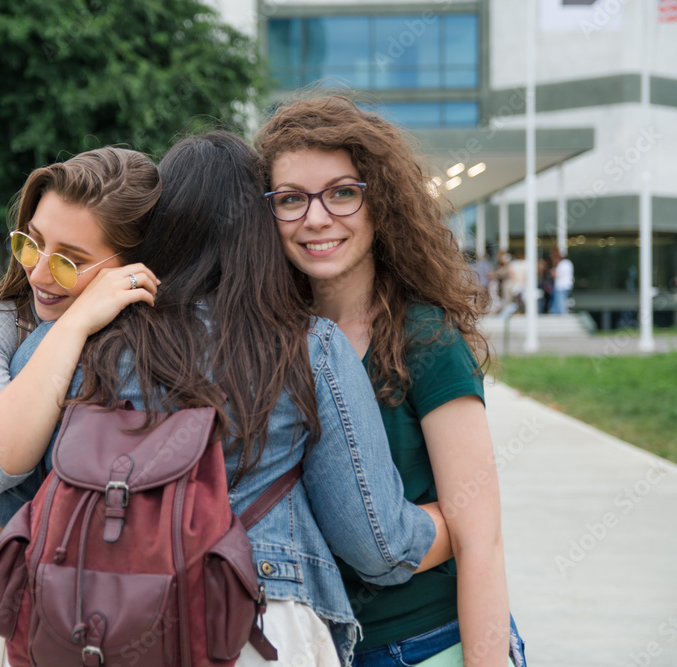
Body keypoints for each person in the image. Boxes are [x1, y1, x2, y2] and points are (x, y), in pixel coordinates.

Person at [0, 131, 454, 667]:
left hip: (86, 626)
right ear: (262, 233)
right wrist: (457, 518)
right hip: (257, 627)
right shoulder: (309, 346)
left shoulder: (66, 341)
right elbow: (376, 548)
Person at [255, 95, 525, 667]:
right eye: (290, 200)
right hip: (313, 648)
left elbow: (481, 541)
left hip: (426, 644)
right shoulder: (264, 344)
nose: (317, 218)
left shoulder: (424, 337)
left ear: (382, 204)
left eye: (343, 192)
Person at [0, 146, 164, 667]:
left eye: (70, 262)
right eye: (31, 243)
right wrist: (77, 321)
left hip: (109, 623)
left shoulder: (157, 342)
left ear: (131, 266)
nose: (39, 273)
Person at [550, 246, 574, 315]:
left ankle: (563, 316)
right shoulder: (568, 263)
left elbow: (555, 275)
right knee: (557, 304)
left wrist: (554, 267)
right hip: (565, 286)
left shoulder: (563, 264)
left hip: (561, 286)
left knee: (560, 304)